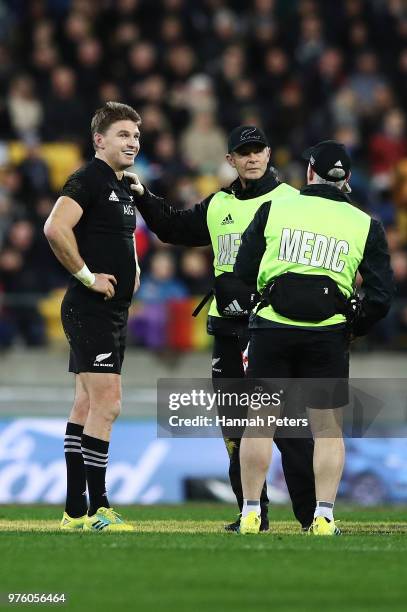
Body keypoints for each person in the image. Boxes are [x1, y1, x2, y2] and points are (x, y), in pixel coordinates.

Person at [128, 125, 316, 531]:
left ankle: (310, 516)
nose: (251, 158)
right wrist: (143, 196)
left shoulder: (293, 202)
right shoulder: (218, 205)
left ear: (269, 154)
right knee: (234, 427)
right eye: (242, 152)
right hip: (229, 328)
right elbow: (173, 227)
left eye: (258, 151)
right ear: (230, 159)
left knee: (288, 428)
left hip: (276, 327)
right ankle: (252, 512)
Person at [234, 140, 394, 535]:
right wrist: (352, 327)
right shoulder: (364, 223)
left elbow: (241, 270)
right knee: (327, 430)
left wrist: (256, 307)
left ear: (309, 173)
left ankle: (251, 512)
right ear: (347, 180)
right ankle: (323, 516)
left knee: (259, 424)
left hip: (272, 327)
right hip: (327, 334)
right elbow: (380, 296)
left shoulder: (275, 207)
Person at [44, 102, 141, 531]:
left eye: (136, 136)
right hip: (91, 308)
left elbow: (116, 237)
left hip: (106, 310)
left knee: (86, 404)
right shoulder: (88, 179)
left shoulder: (121, 186)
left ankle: (73, 510)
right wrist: (87, 277)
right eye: (123, 135)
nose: (132, 143)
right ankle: (100, 508)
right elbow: (54, 228)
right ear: (99, 140)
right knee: (109, 404)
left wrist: (132, 269)